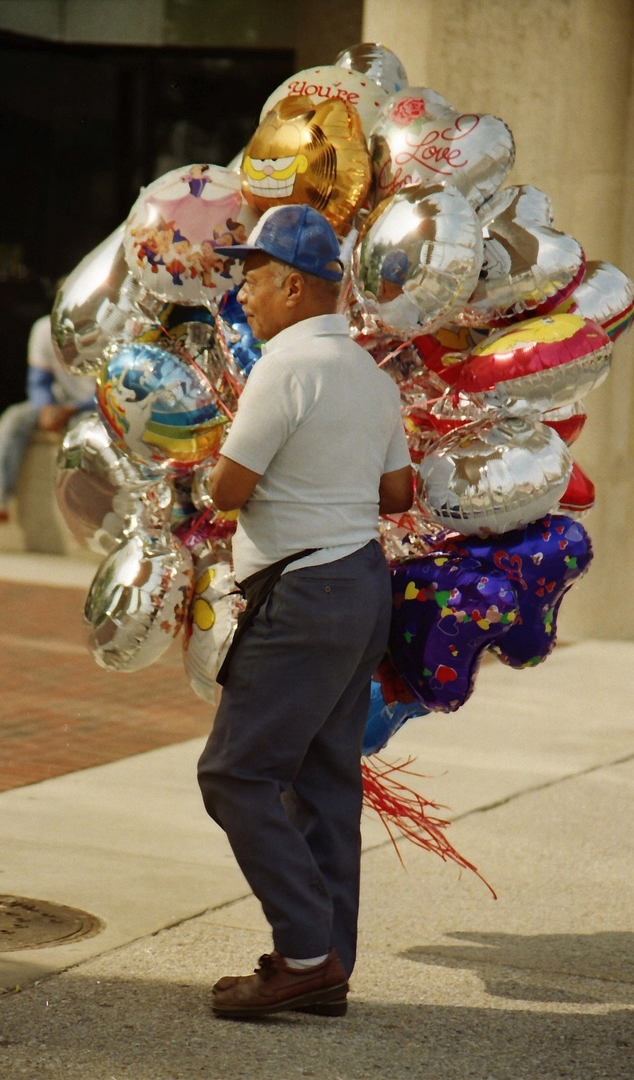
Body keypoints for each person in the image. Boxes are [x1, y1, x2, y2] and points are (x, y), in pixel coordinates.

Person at [198, 204, 415, 1019]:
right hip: (360, 587)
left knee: (235, 773)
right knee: (324, 782)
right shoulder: (370, 374)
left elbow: (228, 491)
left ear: (292, 284)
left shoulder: (282, 368)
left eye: (252, 276)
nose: (243, 292)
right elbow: (396, 493)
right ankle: (328, 968)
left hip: (302, 594)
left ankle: (302, 953)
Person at [0, 311, 97, 523]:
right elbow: (39, 381)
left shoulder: (106, 329)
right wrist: (45, 407)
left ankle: (84, 516)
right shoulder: (44, 329)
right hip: (59, 401)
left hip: (92, 408)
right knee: (14, 418)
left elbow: (113, 389)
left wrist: (72, 409)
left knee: (82, 431)